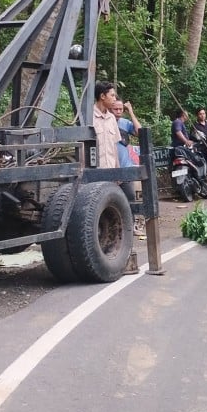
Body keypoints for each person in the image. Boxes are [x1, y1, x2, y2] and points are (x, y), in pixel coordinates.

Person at [93, 81, 138, 274]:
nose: (114, 98)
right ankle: (100, 253)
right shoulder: (89, 117)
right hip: (96, 174)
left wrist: (118, 173)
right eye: (111, 95)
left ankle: (120, 249)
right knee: (97, 214)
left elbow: (113, 147)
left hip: (112, 172)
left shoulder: (112, 119)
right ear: (102, 96)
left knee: (120, 208)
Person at [111, 99, 145, 236]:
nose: (118, 112)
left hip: (125, 169)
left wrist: (130, 111)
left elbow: (140, 132)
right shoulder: (105, 123)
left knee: (130, 198)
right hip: (110, 169)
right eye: (116, 109)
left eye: (121, 109)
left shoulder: (125, 123)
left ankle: (130, 228)